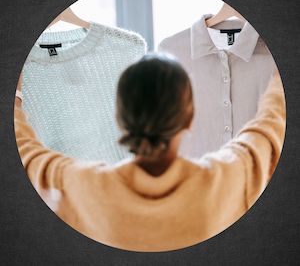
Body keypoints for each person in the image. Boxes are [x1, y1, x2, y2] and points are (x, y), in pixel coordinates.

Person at [14, 53, 285, 252]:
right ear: (189, 118)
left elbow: (27, 153)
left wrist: (15, 95)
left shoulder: (83, 188)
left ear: (120, 120)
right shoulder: (224, 182)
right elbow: (269, 127)